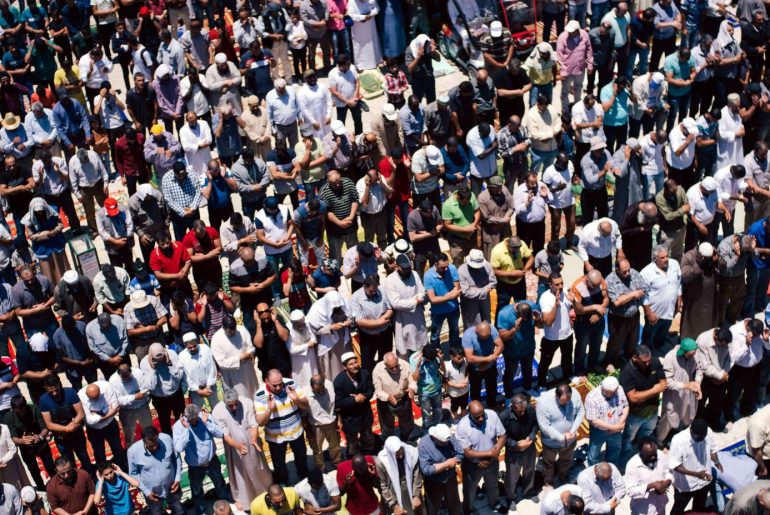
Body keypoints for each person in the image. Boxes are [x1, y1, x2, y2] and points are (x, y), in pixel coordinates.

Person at [212, 390, 273, 512]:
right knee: (241, 475)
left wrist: (254, 440)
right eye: (231, 405)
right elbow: (225, 435)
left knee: (257, 469)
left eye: (236, 404)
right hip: (234, 448)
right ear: (225, 402)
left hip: (252, 443)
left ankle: (267, 494)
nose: (234, 407)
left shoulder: (246, 402)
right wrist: (238, 446)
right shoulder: (217, 411)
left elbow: (253, 424)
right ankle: (246, 501)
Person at [172, 404, 232, 513]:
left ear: (198, 415)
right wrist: (186, 430)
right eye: (191, 420)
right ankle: (201, 510)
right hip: (195, 467)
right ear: (185, 416)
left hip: (212, 461)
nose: (193, 422)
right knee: (197, 490)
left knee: (220, 483)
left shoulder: (205, 417)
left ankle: (225, 506)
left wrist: (207, 423)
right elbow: (179, 448)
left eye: (195, 419)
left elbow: (220, 434)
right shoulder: (179, 426)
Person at [255, 369, 310, 484]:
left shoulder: (290, 384)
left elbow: (305, 405)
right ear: (266, 381)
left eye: (280, 384)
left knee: (301, 457)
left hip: (296, 431)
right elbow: (260, 422)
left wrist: (297, 399)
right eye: (275, 385)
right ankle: (284, 484)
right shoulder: (260, 395)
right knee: (279, 464)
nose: (279, 387)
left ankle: (304, 478)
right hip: (276, 438)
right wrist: (269, 410)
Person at [456, 400, 507, 514]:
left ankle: (494, 503)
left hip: (492, 462)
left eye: (482, 415)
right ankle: (468, 509)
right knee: (469, 490)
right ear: (469, 414)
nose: (481, 419)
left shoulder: (492, 415)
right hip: (472, 465)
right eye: (477, 417)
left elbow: (502, 436)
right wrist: (490, 454)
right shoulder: (462, 426)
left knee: (493, 485)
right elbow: (468, 452)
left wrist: (492, 456)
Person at [38, 374, 95, 476]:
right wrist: (67, 429)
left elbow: (80, 414)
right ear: (45, 388)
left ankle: (90, 477)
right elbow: (49, 424)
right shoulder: (43, 400)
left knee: (85, 458)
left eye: (56, 389)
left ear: (59, 384)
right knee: (68, 463)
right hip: (61, 438)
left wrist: (72, 425)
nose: (55, 393)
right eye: (51, 391)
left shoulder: (70, 392)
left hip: (76, 434)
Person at [620, 345, 667, 465]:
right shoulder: (626, 371)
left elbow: (663, 384)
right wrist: (654, 390)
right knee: (628, 440)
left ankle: (642, 455)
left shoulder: (654, 362)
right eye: (645, 362)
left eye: (649, 360)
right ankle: (623, 462)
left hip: (652, 411)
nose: (648, 363)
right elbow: (633, 398)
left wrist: (645, 395)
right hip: (634, 415)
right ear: (635, 357)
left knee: (646, 437)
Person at [536, 383, 585, 488]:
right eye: (563, 401)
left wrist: (572, 431)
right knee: (548, 463)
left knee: (566, 460)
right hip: (551, 443)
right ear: (556, 396)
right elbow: (544, 426)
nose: (567, 403)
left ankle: (563, 476)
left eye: (569, 400)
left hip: (570, 441)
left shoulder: (575, 394)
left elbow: (581, 413)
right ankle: (548, 481)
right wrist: (562, 437)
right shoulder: (543, 402)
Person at [128, 426, 184, 515]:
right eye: (150, 446)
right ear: (143, 441)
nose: (154, 447)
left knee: (178, 510)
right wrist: (146, 491)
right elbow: (133, 474)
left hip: (172, 487)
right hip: (153, 494)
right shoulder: (133, 452)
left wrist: (177, 478)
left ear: (158, 436)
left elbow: (176, 458)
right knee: (156, 512)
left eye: (156, 444)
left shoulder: (167, 439)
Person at [669, 419, 721, 515]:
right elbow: (675, 465)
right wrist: (696, 474)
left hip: (704, 481)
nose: (701, 439)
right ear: (691, 431)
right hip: (685, 486)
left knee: (699, 509)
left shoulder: (708, 431)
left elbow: (713, 450)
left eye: (703, 437)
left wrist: (717, 462)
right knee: (677, 510)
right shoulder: (678, 440)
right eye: (698, 437)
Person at [3, 395, 55, 490]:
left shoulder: (34, 409)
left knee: (50, 467)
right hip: (25, 448)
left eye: (23, 410)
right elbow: (13, 437)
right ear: (13, 409)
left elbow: (45, 427)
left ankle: (57, 485)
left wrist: (39, 436)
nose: (22, 413)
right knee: (34, 470)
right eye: (19, 411)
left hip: (41, 444)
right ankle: (41, 488)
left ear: (26, 406)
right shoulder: (9, 417)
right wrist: (22, 440)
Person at [726, 318, 769, 423]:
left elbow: (767, 347)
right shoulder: (735, 332)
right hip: (739, 370)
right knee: (733, 394)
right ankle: (728, 415)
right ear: (748, 328)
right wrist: (746, 346)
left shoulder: (760, 327)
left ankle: (746, 410)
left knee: (751, 391)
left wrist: (767, 340)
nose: (755, 338)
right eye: (754, 335)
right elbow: (733, 357)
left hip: (756, 367)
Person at [78, 381, 127, 471]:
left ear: (100, 392)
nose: (96, 400)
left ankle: (122, 468)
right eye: (93, 399)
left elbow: (115, 406)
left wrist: (96, 415)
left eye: (97, 397)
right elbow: (89, 420)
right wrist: (107, 413)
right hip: (94, 430)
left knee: (117, 448)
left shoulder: (106, 386)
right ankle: (103, 472)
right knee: (99, 452)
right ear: (86, 394)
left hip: (110, 424)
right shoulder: (80, 396)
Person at [640, 245, 682, 349]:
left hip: (670, 310)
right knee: (649, 336)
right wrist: (649, 313)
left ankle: (659, 347)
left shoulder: (675, 264)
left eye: (667, 256)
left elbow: (679, 282)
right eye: (662, 258)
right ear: (655, 259)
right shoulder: (646, 273)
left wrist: (679, 299)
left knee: (663, 333)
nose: (666, 259)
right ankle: (646, 352)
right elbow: (643, 295)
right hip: (655, 313)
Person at [501, 393, 538, 509]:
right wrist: (515, 444)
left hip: (529, 446)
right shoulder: (504, 416)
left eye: (524, 410)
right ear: (512, 407)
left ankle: (528, 491)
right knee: (512, 476)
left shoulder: (530, 409)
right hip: (513, 451)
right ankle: (510, 497)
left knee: (529, 471)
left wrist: (530, 438)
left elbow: (536, 425)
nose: (522, 413)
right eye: (519, 411)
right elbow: (502, 436)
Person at [538, 273, 575, 389]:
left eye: (561, 283)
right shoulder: (545, 298)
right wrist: (556, 305)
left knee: (567, 359)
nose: (560, 286)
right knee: (545, 362)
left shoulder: (566, 292)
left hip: (567, 335)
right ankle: (541, 383)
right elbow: (548, 322)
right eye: (557, 284)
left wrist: (575, 301)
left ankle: (567, 377)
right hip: (551, 338)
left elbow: (578, 310)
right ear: (550, 285)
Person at [333, 353, 376, 454]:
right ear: (345, 367)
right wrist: (354, 400)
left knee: (368, 437)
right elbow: (338, 402)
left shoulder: (364, 373)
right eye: (351, 364)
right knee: (352, 443)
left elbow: (370, 390)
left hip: (365, 414)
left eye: (356, 362)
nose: (355, 366)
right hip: (350, 418)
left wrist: (364, 396)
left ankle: (368, 454)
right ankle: (355, 459)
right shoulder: (339, 381)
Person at [571, 270, 609, 380]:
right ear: (587, 280)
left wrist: (599, 312)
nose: (596, 288)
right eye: (593, 286)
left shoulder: (600, 280)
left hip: (598, 320)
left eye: (598, 286)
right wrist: (594, 307)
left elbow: (606, 299)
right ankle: (579, 369)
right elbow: (578, 310)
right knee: (581, 348)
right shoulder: (577, 287)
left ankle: (593, 364)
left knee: (597, 345)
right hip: (583, 323)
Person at [139, 343, 185, 435]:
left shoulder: (172, 354)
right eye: (157, 359)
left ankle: (182, 437)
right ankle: (168, 440)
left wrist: (170, 364)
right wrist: (153, 369)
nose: (159, 361)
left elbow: (179, 376)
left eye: (161, 357)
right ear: (150, 356)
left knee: (181, 419)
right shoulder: (145, 362)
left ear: (165, 351)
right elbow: (150, 386)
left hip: (176, 394)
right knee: (165, 422)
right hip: (160, 398)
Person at [417, 424, 462, 515]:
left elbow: (460, 453)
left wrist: (454, 461)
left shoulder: (448, 437)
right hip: (434, 483)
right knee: (433, 508)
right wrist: (446, 464)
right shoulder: (424, 445)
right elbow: (426, 469)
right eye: (443, 443)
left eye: (447, 442)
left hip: (450, 479)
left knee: (454, 504)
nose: (446, 444)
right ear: (434, 437)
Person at [584, 376, 628, 467]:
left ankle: (611, 467)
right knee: (594, 453)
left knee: (615, 449)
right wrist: (614, 428)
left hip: (617, 427)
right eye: (606, 392)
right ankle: (594, 469)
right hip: (599, 431)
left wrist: (620, 422)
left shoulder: (619, 389)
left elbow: (625, 406)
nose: (608, 394)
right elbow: (593, 420)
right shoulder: (592, 397)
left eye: (611, 393)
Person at [696, 326, 733, 431]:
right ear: (716, 338)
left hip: (721, 376)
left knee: (718, 403)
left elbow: (729, 359)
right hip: (705, 377)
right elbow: (705, 366)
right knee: (700, 402)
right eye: (722, 345)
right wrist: (720, 376)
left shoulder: (726, 339)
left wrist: (724, 374)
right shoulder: (703, 341)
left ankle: (713, 421)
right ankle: (698, 423)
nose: (724, 347)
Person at [375, 436, 422, 515]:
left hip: (410, 489)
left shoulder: (411, 452)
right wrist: (394, 505)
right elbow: (383, 486)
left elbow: (416, 475)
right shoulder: (381, 462)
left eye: (401, 451)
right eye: (396, 454)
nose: (400, 456)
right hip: (392, 494)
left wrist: (416, 495)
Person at [372, 352, 415, 441]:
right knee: (387, 424)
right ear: (385, 365)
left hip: (403, 398)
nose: (395, 369)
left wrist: (412, 387)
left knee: (406, 421)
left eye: (396, 366)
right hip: (386, 401)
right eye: (391, 368)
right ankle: (390, 441)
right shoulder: (377, 370)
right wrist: (388, 397)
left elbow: (412, 380)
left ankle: (406, 437)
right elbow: (378, 391)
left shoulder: (405, 365)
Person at [109, 363, 152, 447]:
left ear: (131, 371)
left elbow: (146, 388)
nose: (127, 379)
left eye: (129, 376)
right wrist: (134, 397)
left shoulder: (138, 373)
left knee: (148, 428)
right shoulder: (113, 380)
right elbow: (118, 401)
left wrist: (141, 394)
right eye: (124, 378)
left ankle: (150, 444)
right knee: (129, 432)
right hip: (126, 410)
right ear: (119, 374)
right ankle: (130, 449)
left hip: (142, 406)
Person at [625, 437, 673, 512]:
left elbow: (667, 472)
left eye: (654, 454)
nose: (653, 457)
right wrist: (651, 486)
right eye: (649, 456)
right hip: (643, 510)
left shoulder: (660, 454)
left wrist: (667, 482)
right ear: (641, 452)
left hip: (660, 505)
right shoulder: (632, 465)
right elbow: (630, 491)